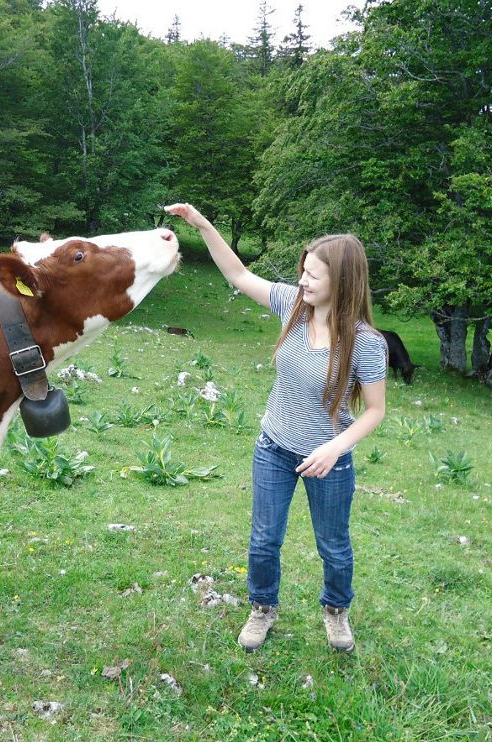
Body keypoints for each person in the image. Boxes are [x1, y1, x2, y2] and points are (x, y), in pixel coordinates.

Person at [164, 203, 387, 653]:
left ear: (342, 283)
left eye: (314, 276)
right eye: (303, 271)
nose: (303, 280)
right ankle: (263, 608)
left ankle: (336, 611)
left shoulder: (366, 343)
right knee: (265, 539)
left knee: (334, 546)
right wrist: (204, 225)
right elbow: (238, 275)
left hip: (329, 460)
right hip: (274, 446)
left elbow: (374, 411)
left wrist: (333, 449)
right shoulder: (292, 306)